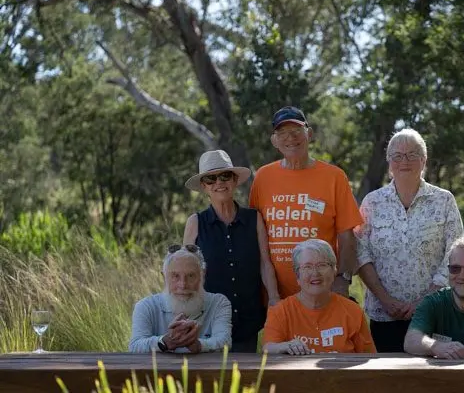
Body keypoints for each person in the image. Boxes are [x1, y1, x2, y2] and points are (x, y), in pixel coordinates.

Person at [354, 128, 463, 352]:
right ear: (389, 162)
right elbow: (361, 254)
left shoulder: (444, 201)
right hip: (384, 315)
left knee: (432, 381)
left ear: (423, 160)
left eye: (413, 154)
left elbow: (455, 254)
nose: (405, 161)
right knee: (389, 382)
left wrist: (424, 302)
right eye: (397, 155)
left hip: (434, 313)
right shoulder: (372, 202)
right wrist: (385, 300)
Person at [249, 106, 363, 299]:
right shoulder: (263, 177)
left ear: (309, 134)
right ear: (274, 141)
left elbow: (347, 236)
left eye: (296, 131)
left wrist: (343, 279)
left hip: (323, 292)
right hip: (276, 296)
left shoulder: (334, 177)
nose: (290, 138)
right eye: (282, 133)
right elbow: (256, 235)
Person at [182, 150, 280, 353]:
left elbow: (265, 263)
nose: (219, 182)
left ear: (235, 180)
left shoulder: (254, 219)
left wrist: (274, 299)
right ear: (204, 187)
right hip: (208, 321)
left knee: (245, 381)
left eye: (225, 176)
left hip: (248, 320)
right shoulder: (195, 223)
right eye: (211, 179)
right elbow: (185, 272)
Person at [262, 239, 376, 355]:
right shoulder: (280, 311)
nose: (315, 273)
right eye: (307, 267)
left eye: (322, 265)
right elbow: (267, 349)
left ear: (334, 271)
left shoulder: (353, 311)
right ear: (297, 276)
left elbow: (369, 358)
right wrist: (284, 346)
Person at [129, 245, 232, 353]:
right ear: (164, 276)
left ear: (202, 275)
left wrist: (198, 345)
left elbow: (225, 342)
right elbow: (135, 346)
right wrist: (165, 342)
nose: (183, 285)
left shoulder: (218, 303)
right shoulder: (146, 306)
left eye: (191, 276)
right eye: (175, 276)